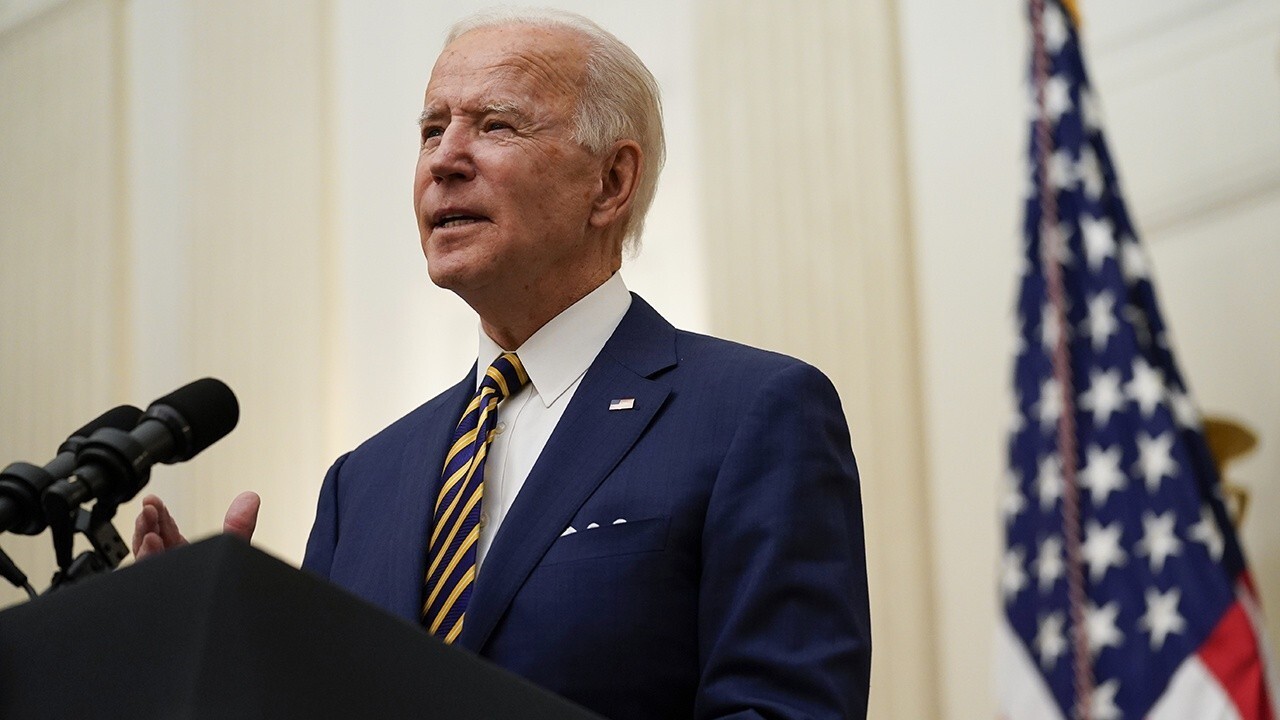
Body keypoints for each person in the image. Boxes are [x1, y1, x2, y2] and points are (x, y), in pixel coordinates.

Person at [134, 8, 871, 719]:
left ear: (610, 183)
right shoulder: (359, 486)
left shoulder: (753, 413)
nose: (444, 160)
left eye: (495, 125)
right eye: (430, 129)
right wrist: (221, 657)